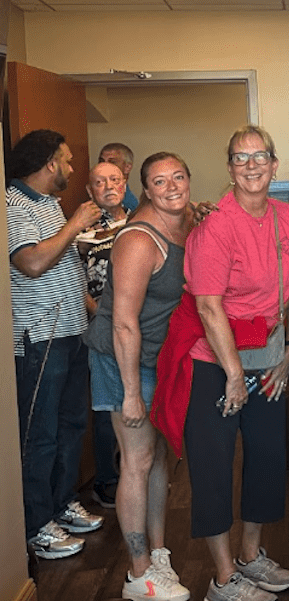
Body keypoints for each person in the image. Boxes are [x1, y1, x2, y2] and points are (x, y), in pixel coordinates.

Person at [156, 125, 289, 601]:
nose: (252, 165)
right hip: (214, 361)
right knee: (213, 464)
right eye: (241, 158)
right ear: (230, 168)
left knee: (265, 457)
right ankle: (223, 577)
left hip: (269, 356)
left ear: (275, 165)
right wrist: (235, 375)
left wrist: (288, 352)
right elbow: (208, 306)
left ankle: (251, 554)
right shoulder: (215, 224)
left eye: (261, 157)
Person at [83, 152, 195, 601]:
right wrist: (131, 394)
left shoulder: (186, 219)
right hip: (122, 359)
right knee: (137, 460)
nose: (171, 187)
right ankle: (138, 574)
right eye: (159, 181)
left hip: (159, 358)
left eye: (178, 177)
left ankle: (158, 552)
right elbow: (123, 322)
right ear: (144, 190)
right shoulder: (139, 240)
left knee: (157, 458)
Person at [7, 129, 105, 560]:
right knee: (40, 435)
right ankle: (36, 525)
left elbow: (64, 268)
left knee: (71, 428)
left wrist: (94, 311)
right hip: (39, 337)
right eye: (66, 161)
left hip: (71, 331)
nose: (70, 168)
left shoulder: (49, 204)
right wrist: (75, 226)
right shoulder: (12, 205)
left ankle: (63, 504)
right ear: (49, 163)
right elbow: (31, 263)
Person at [78, 161, 130, 510]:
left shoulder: (144, 220)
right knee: (107, 405)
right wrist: (104, 314)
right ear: (89, 190)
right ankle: (108, 480)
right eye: (100, 182)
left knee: (142, 398)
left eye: (114, 179)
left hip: (144, 326)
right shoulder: (80, 231)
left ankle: (138, 471)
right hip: (101, 325)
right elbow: (73, 281)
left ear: (125, 182)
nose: (108, 186)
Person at [99, 142, 141, 211]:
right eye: (101, 161)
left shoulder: (130, 206)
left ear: (127, 167)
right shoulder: (98, 196)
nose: (104, 165)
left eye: (112, 162)